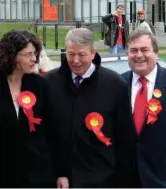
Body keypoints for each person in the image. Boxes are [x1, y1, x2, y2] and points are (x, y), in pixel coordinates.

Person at [44, 28, 136, 188]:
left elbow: (125, 139)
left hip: (104, 179)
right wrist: (60, 172)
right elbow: (47, 134)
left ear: (93, 53)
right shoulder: (50, 83)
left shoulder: (115, 85)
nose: (76, 60)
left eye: (82, 55)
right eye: (71, 54)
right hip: (62, 181)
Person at [0, 30, 56, 188]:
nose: (33, 59)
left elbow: (53, 130)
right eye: (27, 54)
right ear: (11, 55)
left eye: (35, 53)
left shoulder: (40, 85)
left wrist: (61, 172)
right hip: (5, 172)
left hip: (38, 173)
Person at [122, 30, 166, 187]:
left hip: (160, 179)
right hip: (125, 179)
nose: (138, 55)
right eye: (133, 50)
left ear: (156, 52)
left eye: (144, 49)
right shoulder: (118, 84)